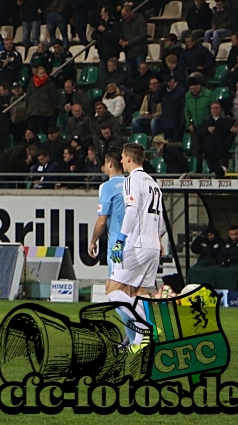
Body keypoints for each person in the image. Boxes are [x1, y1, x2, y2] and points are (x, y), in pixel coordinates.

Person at [108, 143, 164, 352]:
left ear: (129, 159)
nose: (121, 160)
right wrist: (159, 241)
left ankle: (145, 327)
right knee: (139, 294)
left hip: (137, 244)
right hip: (153, 247)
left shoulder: (132, 180)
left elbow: (131, 211)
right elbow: (160, 218)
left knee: (112, 291)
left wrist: (121, 240)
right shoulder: (153, 183)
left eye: (122, 157)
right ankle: (139, 344)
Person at [88, 150, 126, 277]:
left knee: (116, 282)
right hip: (134, 242)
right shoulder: (131, 184)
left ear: (110, 164)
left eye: (105, 162)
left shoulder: (107, 187)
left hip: (117, 242)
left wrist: (93, 241)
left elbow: (102, 220)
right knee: (131, 285)